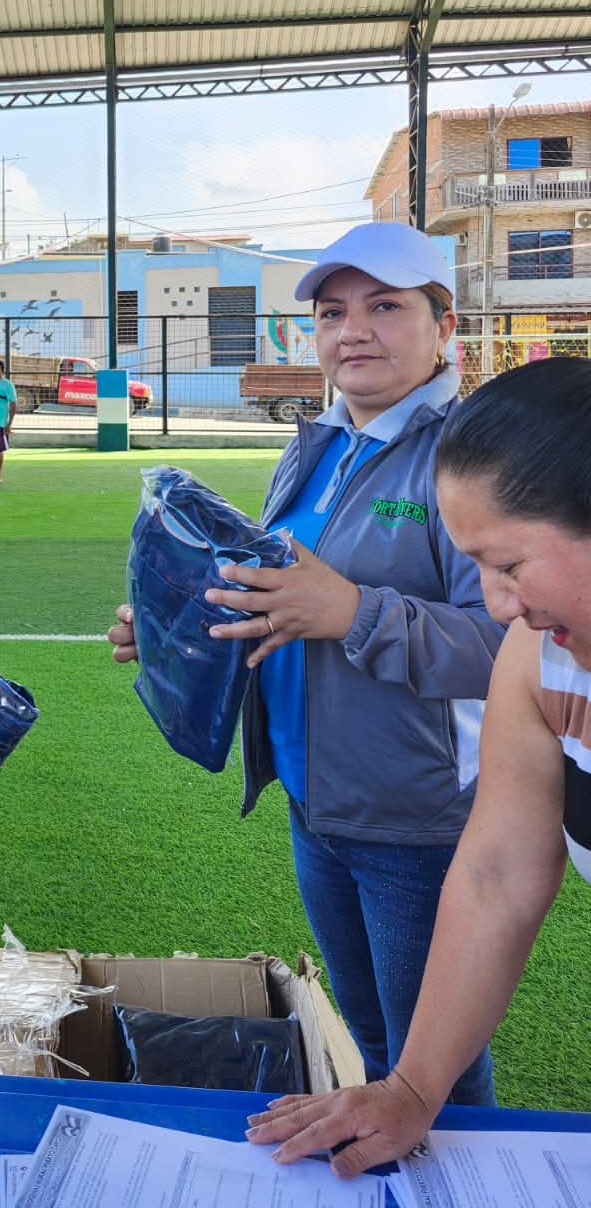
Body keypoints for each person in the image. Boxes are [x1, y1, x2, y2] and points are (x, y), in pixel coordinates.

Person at [108, 221, 504, 1107]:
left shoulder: (471, 455)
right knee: (371, 1040)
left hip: (417, 821)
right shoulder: (317, 441)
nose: (352, 331)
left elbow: (512, 647)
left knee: (433, 1069)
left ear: (445, 327)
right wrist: (178, 622)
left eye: (385, 307)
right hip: (314, 800)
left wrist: (353, 611)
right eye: (332, 312)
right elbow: (276, 591)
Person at [250, 356, 591, 1177]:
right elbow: (497, 872)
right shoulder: (541, 658)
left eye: (508, 566)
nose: (499, 605)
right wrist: (408, 1089)